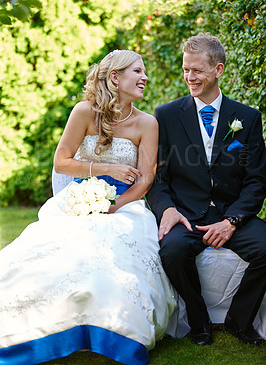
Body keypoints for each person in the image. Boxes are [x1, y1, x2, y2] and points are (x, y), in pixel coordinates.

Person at [0, 50, 176, 365]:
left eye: (144, 71)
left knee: (110, 253)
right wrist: (106, 170)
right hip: (79, 201)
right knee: (51, 252)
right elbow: (62, 162)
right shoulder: (83, 112)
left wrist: (115, 206)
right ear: (115, 77)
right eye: (137, 71)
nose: (144, 77)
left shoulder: (147, 123)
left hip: (127, 205)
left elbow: (146, 179)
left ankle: (111, 330)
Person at [146, 33, 266, 346]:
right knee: (172, 251)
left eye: (197, 70)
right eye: (186, 69)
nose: (190, 77)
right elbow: (157, 178)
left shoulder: (248, 118)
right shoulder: (167, 116)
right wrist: (167, 209)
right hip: (187, 215)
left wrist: (233, 221)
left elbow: (257, 179)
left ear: (218, 70)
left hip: (231, 213)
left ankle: (239, 322)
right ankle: (198, 323)